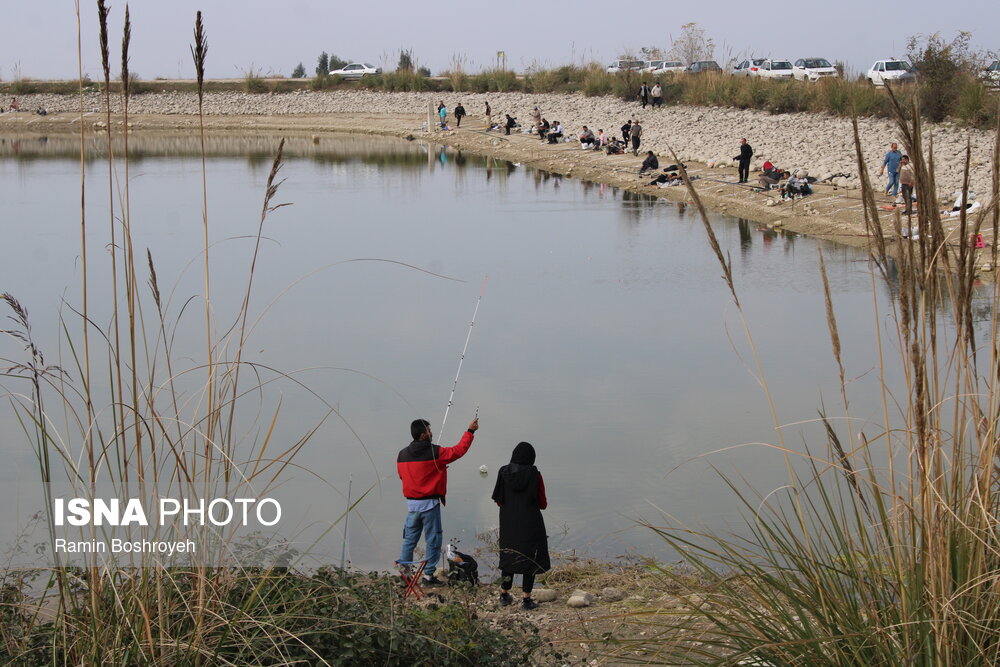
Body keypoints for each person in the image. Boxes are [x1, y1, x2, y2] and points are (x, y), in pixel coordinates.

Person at [398, 417, 480, 585]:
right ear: (422, 435)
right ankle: (428, 577)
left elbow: (403, 476)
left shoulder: (402, 455)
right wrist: (470, 431)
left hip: (412, 506)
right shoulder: (435, 452)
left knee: (409, 541)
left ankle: (405, 576)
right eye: (428, 430)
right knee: (433, 540)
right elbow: (459, 450)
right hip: (429, 505)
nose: (431, 432)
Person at [492, 441, 550, 610]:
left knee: (509, 556)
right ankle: (526, 599)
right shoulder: (534, 473)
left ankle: (504, 594)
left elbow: (498, 501)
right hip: (530, 522)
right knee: (529, 559)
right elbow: (543, 503)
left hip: (508, 522)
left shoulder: (503, 472)